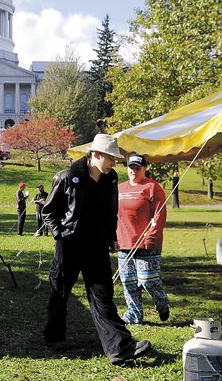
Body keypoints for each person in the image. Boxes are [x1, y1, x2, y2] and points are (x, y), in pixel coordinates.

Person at [41, 134, 151, 364]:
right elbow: (48, 211)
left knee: (103, 295)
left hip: (96, 245)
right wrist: (59, 234)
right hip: (69, 245)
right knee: (60, 291)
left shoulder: (111, 179)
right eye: (111, 158)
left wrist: (111, 237)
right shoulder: (66, 177)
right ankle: (54, 337)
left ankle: (119, 348)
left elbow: (110, 212)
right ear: (96, 155)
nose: (115, 163)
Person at [116, 153, 169, 324]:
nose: (134, 170)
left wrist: (151, 238)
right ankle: (134, 314)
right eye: (131, 167)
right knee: (128, 281)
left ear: (144, 169)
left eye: (138, 167)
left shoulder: (152, 187)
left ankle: (161, 302)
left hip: (146, 243)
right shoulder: (120, 188)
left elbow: (159, 215)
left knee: (147, 281)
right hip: (124, 242)